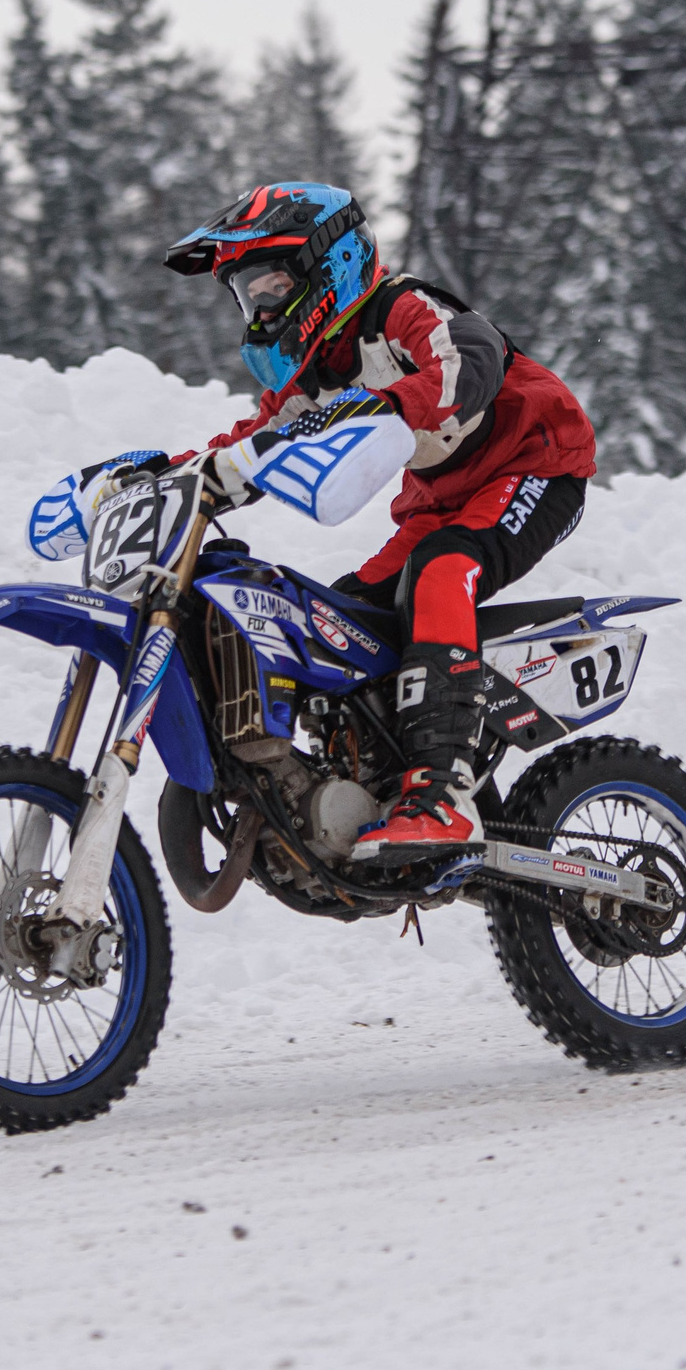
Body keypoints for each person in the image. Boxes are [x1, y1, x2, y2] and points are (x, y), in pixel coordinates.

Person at [103, 180, 594, 860]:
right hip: (443, 498)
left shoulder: (399, 308)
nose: (260, 308)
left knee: (441, 572)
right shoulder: (315, 373)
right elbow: (251, 442)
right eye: (248, 295)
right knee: (344, 616)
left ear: (324, 266)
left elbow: (468, 360)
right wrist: (169, 474)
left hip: (535, 460)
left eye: (270, 287)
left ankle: (441, 793)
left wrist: (387, 405)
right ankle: (374, 771)